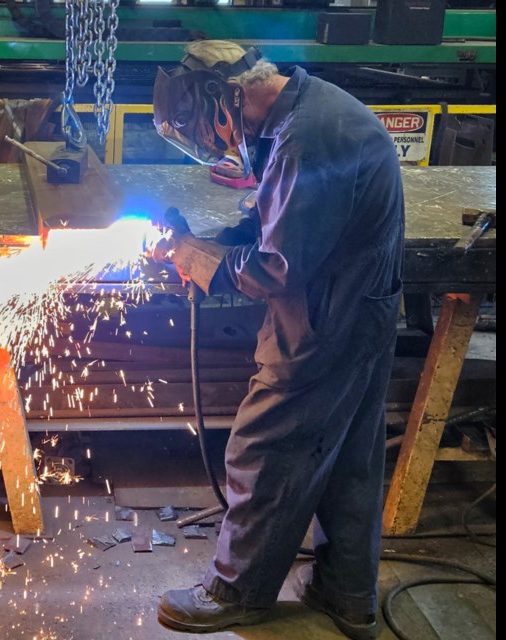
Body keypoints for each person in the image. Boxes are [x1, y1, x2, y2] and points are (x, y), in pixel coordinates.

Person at [151, 40, 405, 640]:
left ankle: (234, 591)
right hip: (355, 308)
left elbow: (277, 267)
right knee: (347, 461)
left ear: (229, 99)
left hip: (324, 318)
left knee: (264, 447)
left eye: (199, 128)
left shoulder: (306, 139)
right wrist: (209, 242)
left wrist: (191, 256)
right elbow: (279, 219)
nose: (206, 143)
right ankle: (347, 594)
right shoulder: (301, 111)